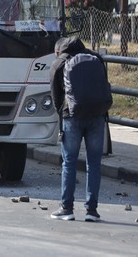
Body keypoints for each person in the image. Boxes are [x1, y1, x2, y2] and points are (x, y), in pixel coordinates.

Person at [49, 36, 109, 222]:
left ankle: (67, 208)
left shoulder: (59, 63)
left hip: (72, 117)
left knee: (69, 162)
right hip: (97, 116)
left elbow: (55, 96)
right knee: (94, 164)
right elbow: (103, 86)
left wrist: (63, 111)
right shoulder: (96, 58)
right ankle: (92, 210)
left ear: (59, 50)